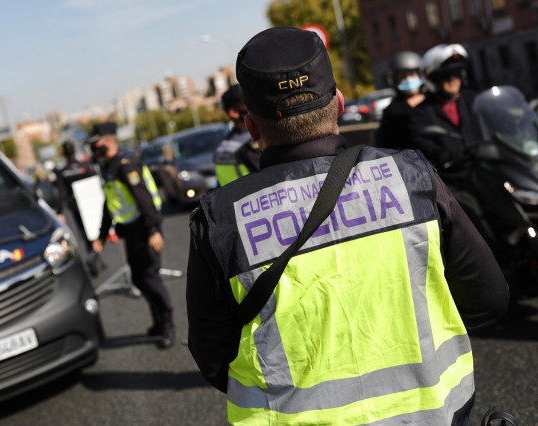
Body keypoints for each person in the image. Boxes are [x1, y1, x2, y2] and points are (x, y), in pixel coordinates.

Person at [186, 27, 509, 425]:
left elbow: (214, 356)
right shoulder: (410, 176)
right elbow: (489, 298)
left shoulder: (219, 218)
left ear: (252, 128)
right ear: (338, 104)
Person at [90, 122, 175, 349]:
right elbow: (110, 206)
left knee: (150, 277)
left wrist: (153, 230)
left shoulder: (125, 165)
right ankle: (158, 321)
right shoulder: (109, 167)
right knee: (139, 278)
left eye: (96, 143)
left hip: (145, 228)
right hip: (132, 231)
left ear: (108, 141)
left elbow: (144, 199)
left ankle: (167, 323)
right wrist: (100, 236)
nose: (93, 148)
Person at [410, 43, 482, 170]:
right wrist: (443, 155)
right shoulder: (421, 112)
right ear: (434, 79)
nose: (453, 79)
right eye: (446, 75)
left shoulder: (474, 100)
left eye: (457, 72)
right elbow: (422, 142)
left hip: (484, 166)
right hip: (453, 176)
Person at [53, 140, 106, 276]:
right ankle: (97, 258)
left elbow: (62, 193)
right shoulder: (85, 166)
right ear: (75, 151)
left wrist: (59, 211)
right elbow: (96, 183)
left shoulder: (63, 172)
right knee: (96, 230)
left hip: (75, 206)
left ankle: (93, 258)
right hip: (92, 204)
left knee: (83, 233)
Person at [214, 84, 261, 186]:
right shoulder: (250, 144)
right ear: (234, 112)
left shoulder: (223, 146)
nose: (254, 105)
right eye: (248, 102)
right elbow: (273, 179)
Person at [376, 51, 425, 150]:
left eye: (412, 75)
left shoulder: (433, 101)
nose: (409, 80)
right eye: (403, 77)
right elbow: (387, 143)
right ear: (395, 80)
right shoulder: (392, 111)